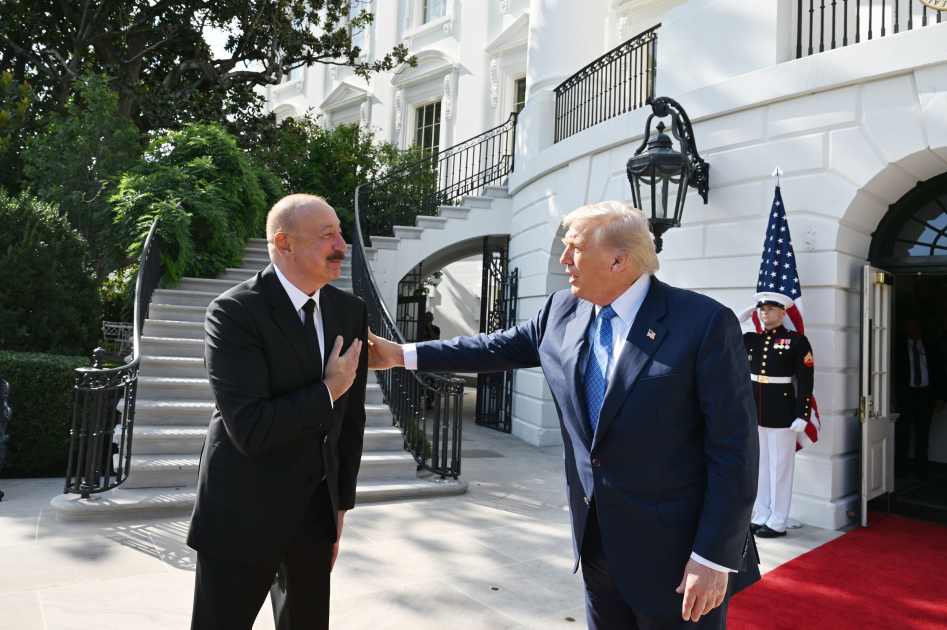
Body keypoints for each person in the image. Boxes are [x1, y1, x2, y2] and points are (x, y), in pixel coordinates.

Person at [368, 201, 760, 629]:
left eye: (575, 248)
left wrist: (713, 557)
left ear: (618, 260)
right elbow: (491, 348)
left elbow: (734, 449)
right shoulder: (560, 311)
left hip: (678, 558)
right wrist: (399, 355)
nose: (564, 259)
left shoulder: (703, 323)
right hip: (596, 545)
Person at [187, 194, 368, 630]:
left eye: (340, 233)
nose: (342, 245)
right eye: (327, 235)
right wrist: (328, 389)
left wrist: (339, 508)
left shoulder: (350, 310)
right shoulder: (233, 312)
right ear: (284, 244)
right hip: (242, 514)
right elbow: (250, 428)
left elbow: (350, 420)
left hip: (314, 517)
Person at [737, 293, 814, 539]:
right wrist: (740, 318)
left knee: (780, 469)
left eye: (771, 309)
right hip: (755, 412)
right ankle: (761, 515)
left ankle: (778, 521)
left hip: (782, 414)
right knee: (759, 467)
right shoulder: (751, 339)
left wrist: (803, 414)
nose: (765, 313)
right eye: (762, 309)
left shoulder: (796, 341)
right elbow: (722, 339)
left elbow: (805, 381)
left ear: (782, 312)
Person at [894, 317, 947, 480]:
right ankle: (901, 469)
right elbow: (892, 374)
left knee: (923, 435)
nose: (913, 329)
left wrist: (941, 397)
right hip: (905, 396)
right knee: (902, 434)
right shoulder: (898, 348)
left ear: (921, 328)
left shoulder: (932, 348)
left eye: (916, 326)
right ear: (904, 329)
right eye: (909, 326)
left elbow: (940, 373)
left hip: (925, 395)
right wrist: (893, 396)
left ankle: (921, 469)